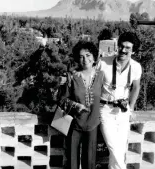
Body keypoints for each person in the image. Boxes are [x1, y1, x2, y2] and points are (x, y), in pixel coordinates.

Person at [97, 31, 142, 169]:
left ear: (133, 50)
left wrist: (131, 107)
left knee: (119, 151)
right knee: (114, 148)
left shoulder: (136, 67)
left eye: (128, 48)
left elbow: (136, 87)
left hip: (123, 112)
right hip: (105, 110)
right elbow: (94, 86)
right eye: (121, 46)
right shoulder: (103, 63)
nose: (123, 50)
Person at [58, 41, 104, 169]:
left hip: (93, 124)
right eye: (81, 56)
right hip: (74, 124)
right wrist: (76, 105)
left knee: (89, 162)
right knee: (71, 161)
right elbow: (62, 100)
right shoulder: (72, 77)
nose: (85, 59)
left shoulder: (101, 76)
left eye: (88, 55)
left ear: (94, 57)